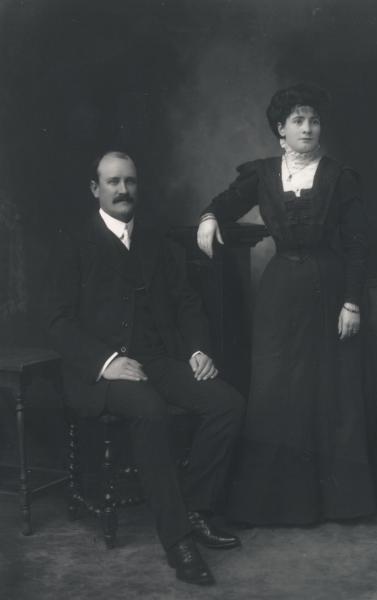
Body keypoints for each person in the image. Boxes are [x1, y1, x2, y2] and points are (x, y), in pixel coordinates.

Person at [197, 83, 377, 526]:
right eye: (297, 120)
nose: (307, 128)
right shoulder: (263, 174)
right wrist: (210, 217)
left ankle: (339, 501)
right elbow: (226, 202)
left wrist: (351, 301)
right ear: (281, 129)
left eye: (313, 120)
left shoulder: (338, 176)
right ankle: (278, 501)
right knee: (276, 388)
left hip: (330, 289)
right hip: (280, 292)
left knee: (331, 390)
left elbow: (357, 245)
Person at [47, 151, 245, 586]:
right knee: (150, 410)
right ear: (95, 189)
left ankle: (194, 508)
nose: (123, 190)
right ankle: (178, 542)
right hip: (100, 372)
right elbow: (58, 322)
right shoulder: (73, 243)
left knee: (227, 404)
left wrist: (197, 350)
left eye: (130, 182)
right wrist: (108, 362)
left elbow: (188, 303)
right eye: (114, 182)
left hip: (157, 360)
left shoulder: (158, 243)